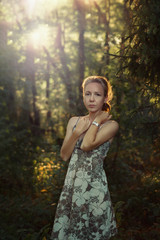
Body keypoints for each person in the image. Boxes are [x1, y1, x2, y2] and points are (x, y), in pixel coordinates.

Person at [50, 76, 119, 240]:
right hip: (73, 187)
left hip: (94, 188)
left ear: (105, 97)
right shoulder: (74, 121)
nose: (92, 99)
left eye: (97, 94)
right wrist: (76, 131)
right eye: (88, 94)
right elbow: (65, 155)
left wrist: (95, 123)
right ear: (83, 95)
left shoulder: (111, 125)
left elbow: (87, 145)